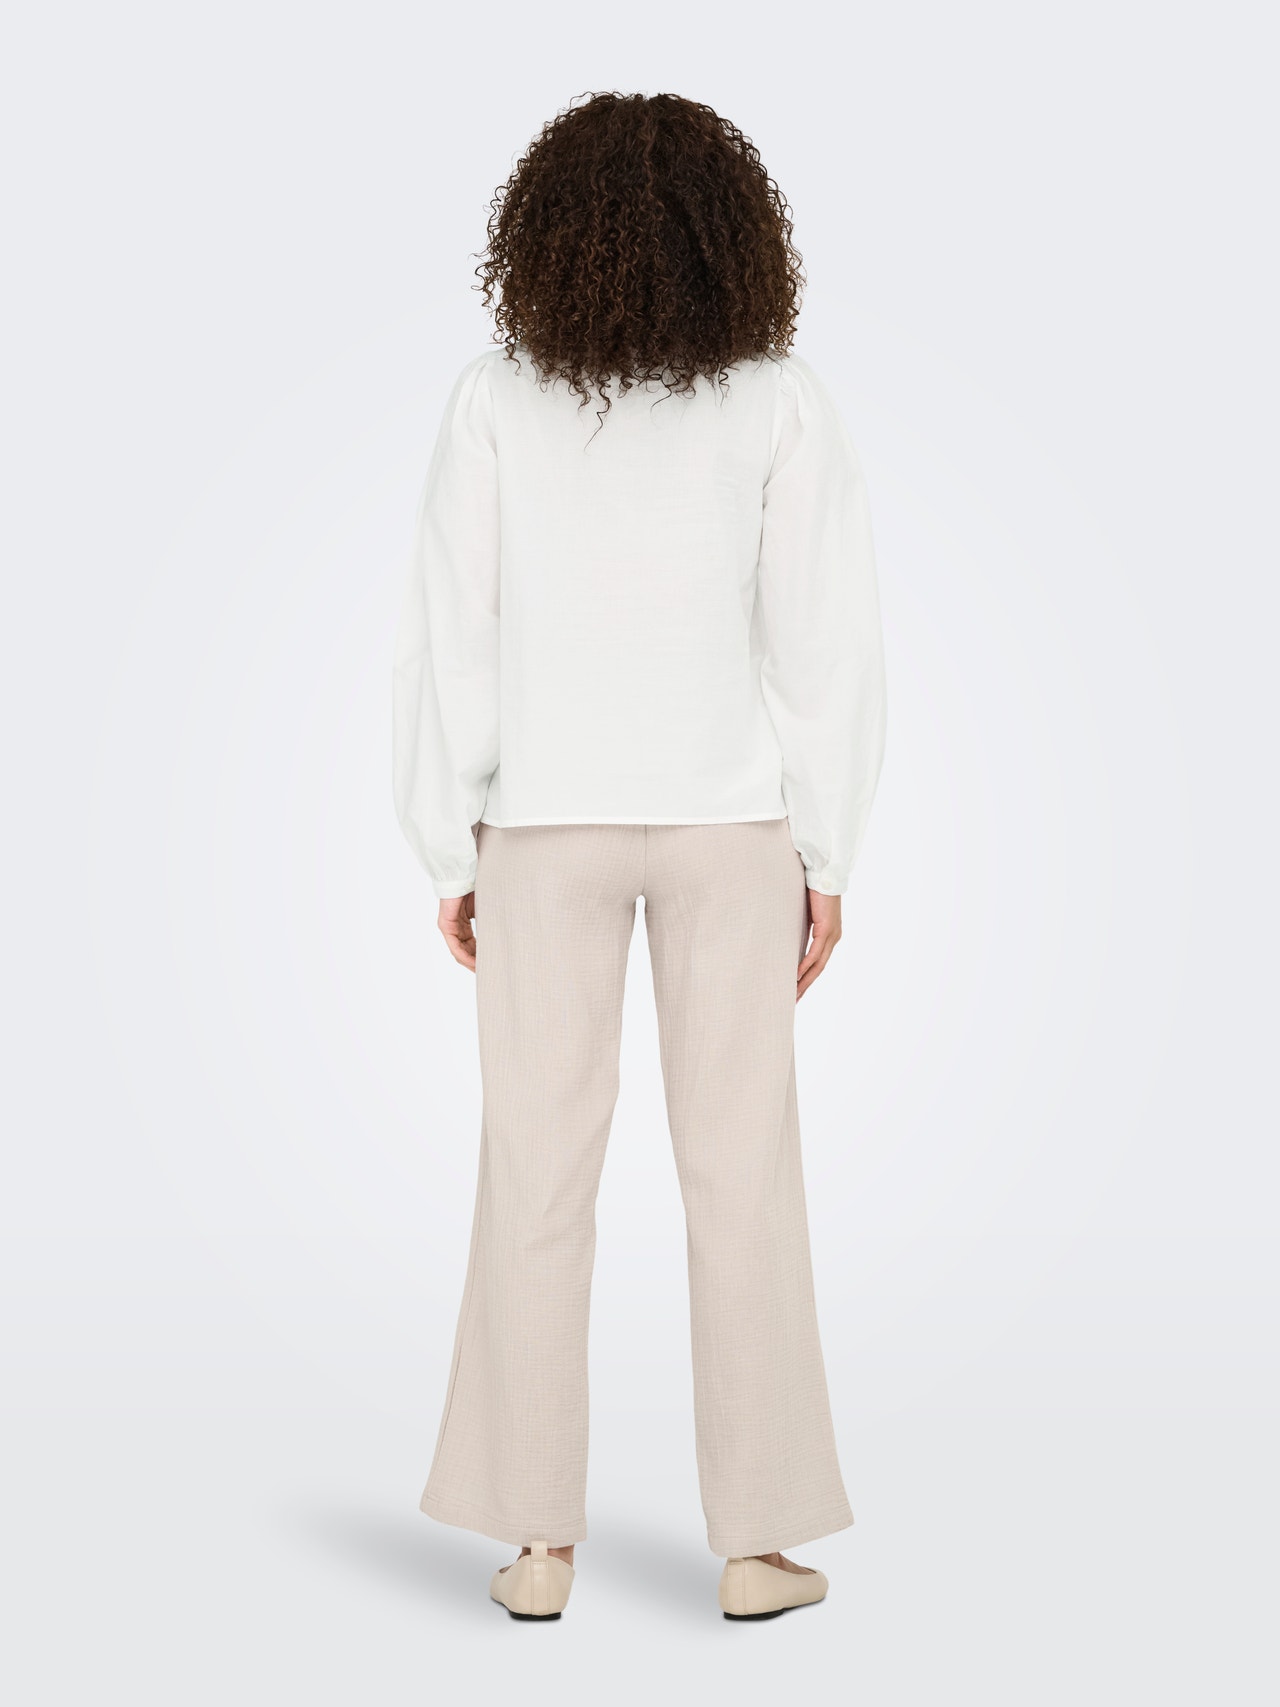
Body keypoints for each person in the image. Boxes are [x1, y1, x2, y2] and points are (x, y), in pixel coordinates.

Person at [392, 89, 887, 1622]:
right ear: (734, 232)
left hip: (543, 828)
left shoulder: (497, 399)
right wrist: (827, 852)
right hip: (733, 829)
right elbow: (824, 643)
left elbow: (452, 631)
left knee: (535, 1170)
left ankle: (535, 1544)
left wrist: (451, 838)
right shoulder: (775, 400)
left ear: (548, 233)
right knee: (745, 1177)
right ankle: (757, 1545)